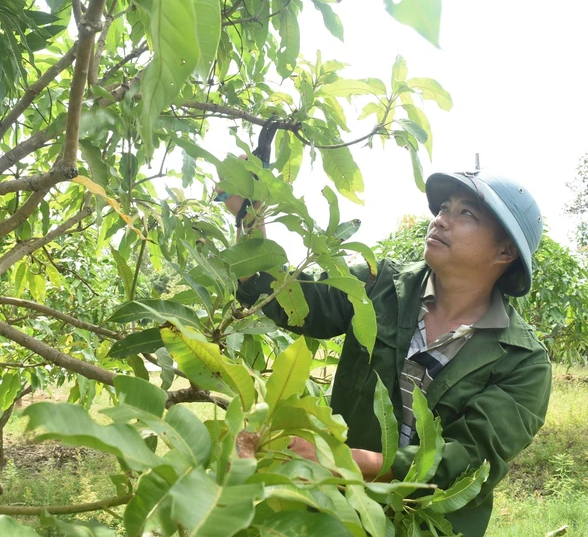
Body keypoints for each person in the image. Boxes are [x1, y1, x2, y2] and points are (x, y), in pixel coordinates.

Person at [227, 170, 552, 536]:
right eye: (444, 207)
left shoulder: (523, 361)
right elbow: (282, 297)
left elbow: (468, 460)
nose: (441, 219)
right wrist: (250, 215)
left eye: (466, 214)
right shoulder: (376, 284)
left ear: (505, 251)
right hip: (337, 513)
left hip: (428, 526)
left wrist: (343, 461)